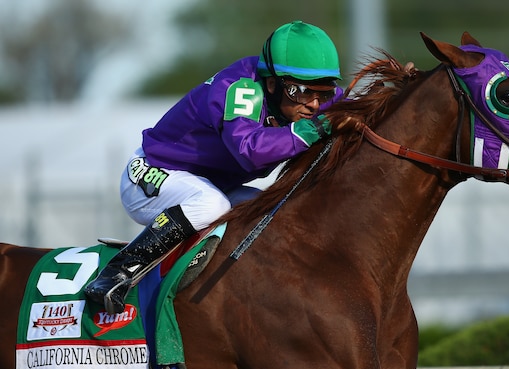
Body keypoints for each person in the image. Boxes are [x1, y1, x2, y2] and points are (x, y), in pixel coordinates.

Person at [84, 20, 344, 314]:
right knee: (212, 204)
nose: (314, 104)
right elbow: (250, 151)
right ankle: (115, 275)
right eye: (300, 90)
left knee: (275, 210)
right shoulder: (240, 88)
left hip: (208, 184)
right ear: (271, 83)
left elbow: (359, 110)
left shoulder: (309, 98)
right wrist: (313, 130)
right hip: (150, 175)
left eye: (323, 93)